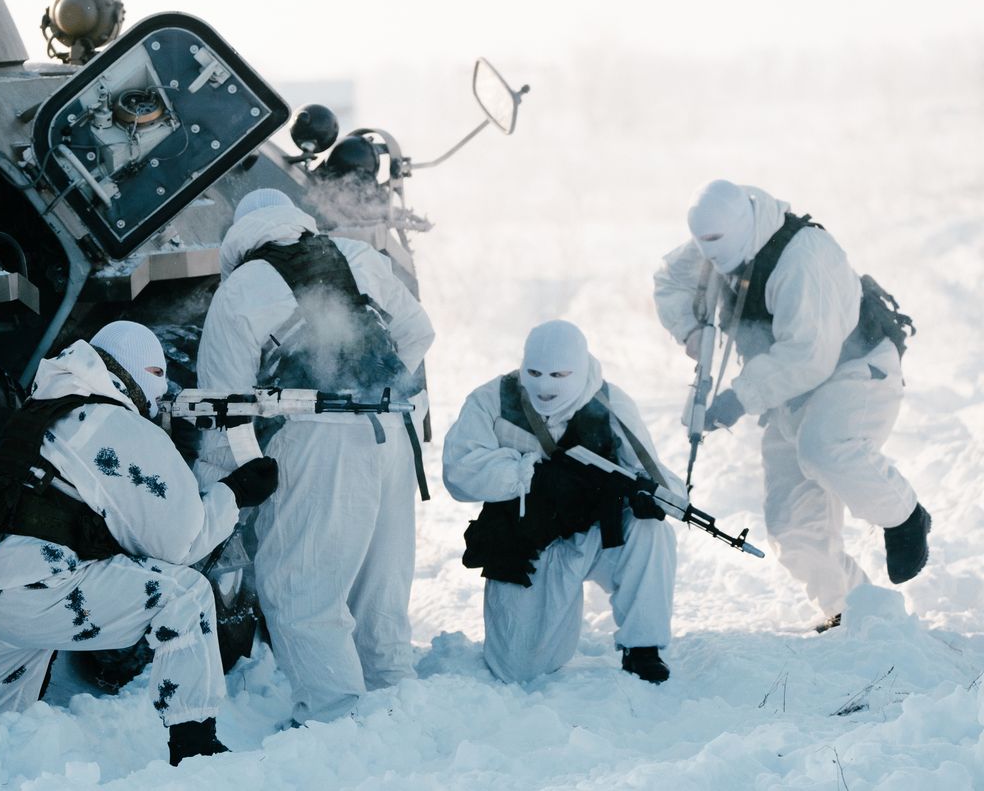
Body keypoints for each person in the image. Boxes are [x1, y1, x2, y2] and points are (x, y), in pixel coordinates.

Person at [0, 321, 279, 764]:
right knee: (185, 597)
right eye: (159, 383)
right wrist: (237, 493)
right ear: (145, 373)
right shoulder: (114, 423)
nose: (158, 401)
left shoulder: (38, 413)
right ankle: (197, 752)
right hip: (34, 595)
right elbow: (181, 545)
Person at [195, 187, 435, 724]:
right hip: (392, 433)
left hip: (317, 439)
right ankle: (399, 705)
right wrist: (381, 386)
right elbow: (419, 331)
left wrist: (222, 490)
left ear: (241, 237)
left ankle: (333, 720)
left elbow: (224, 408)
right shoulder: (361, 257)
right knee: (381, 587)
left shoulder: (240, 290)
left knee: (300, 585)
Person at [653, 179, 929, 630]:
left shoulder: (802, 256)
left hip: (854, 370)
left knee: (824, 449)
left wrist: (738, 398)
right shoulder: (715, 241)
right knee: (791, 527)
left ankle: (905, 515)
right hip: (787, 391)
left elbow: (808, 355)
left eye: (716, 243)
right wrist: (692, 331)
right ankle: (852, 611)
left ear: (741, 224)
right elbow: (670, 281)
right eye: (702, 243)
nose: (708, 254)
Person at [443, 320, 678, 684]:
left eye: (559, 374)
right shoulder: (492, 399)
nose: (545, 385)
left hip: (596, 537)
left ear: (580, 369)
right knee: (518, 670)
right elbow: (458, 472)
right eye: (534, 372)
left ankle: (643, 648)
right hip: (529, 543)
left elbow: (655, 473)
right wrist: (528, 475)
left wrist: (655, 497)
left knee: (650, 530)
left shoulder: (609, 403)